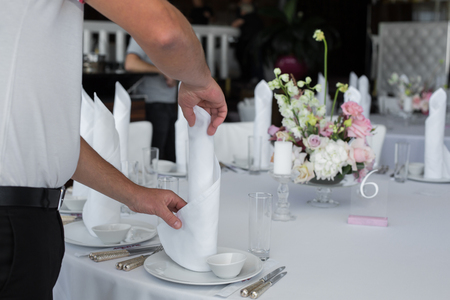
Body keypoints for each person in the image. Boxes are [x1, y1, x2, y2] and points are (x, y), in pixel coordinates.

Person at [0, 0, 227, 299]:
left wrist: (135, 195)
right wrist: (199, 80)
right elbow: (166, 33)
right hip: (11, 226)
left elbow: (47, 139)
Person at [125, 38, 178, 162]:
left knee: (173, 156)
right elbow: (130, 63)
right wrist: (163, 71)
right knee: (155, 157)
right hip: (153, 103)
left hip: (173, 102)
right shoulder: (142, 34)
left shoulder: (172, 36)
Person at [231, 0, 264, 84]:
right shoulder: (246, 11)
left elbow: (235, 24)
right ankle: (250, 78)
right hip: (247, 39)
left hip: (253, 40)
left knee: (254, 60)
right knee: (246, 58)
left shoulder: (250, 14)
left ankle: (257, 80)